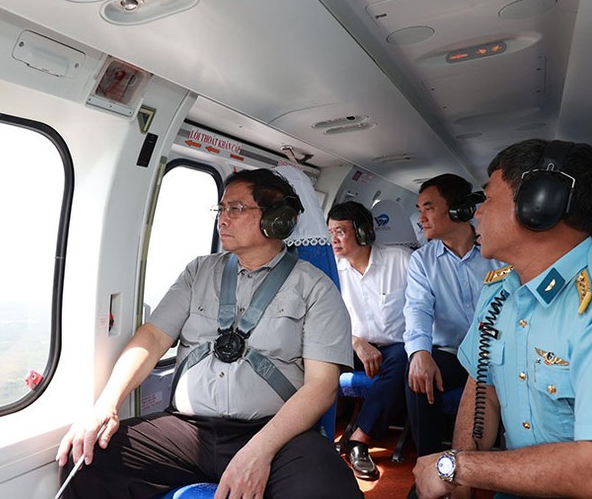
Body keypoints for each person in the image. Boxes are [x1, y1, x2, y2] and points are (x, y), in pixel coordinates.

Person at [56, 168, 362, 499]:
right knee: (86, 457)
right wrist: (106, 404)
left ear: (278, 219)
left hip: (275, 434)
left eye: (236, 208)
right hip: (190, 431)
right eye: (221, 209)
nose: (223, 220)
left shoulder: (316, 288)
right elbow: (153, 337)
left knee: (326, 488)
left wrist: (258, 451)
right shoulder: (198, 271)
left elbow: (322, 387)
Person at [413, 139, 592, 499]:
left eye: (488, 199)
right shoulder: (500, 289)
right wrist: (460, 485)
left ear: (540, 203)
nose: (477, 213)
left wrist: (456, 468)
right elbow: (482, 386)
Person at [403, 174, 504, 458]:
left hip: (498, 352)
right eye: (419, 209)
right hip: (451, 353)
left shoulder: (498, 250)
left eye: (428, 208)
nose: (421, 217)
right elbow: (417, 307)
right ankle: (430, 466)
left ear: (459, 209)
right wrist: (420, 353)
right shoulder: (421, 260)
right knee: (417, 377)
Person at [328, 201, 411, 480]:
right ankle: (316, 438)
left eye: (340, 231)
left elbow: (423, 310)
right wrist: (356, 343)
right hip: (351, 347)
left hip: (395, 349)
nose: (334, 239)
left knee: (404, 360)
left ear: (363, 232)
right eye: (330, 232)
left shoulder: (401, 260)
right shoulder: (332, 271)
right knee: (316, 360)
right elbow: (326, 322)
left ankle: (359, 442)